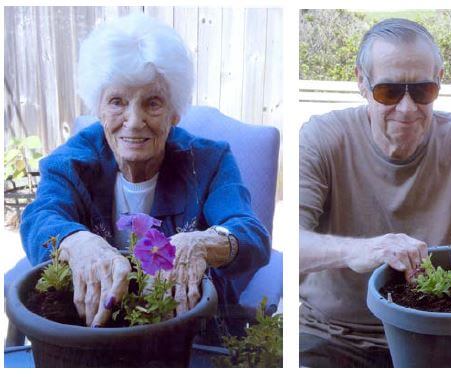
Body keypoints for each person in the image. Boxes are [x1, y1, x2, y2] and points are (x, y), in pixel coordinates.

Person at [299, 18, 451, 367]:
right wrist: (361, 250)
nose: (406, 108)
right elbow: (289, 243)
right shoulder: (321, 141)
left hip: (447, 337)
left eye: (422, 91)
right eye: (388, 91)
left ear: (439, 82)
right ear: (361, 81)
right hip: (334, 336)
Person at [20, 13, 270, 328]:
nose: (134, 120)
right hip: (92, 329)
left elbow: (251, 233)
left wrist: (199, 243)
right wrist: (77, 241)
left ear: (175, 111)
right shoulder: (70, 163)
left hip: (184, 327)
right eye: (117, 101)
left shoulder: (209, 161)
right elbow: (39, 216)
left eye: (152, 103)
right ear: (98, 108)